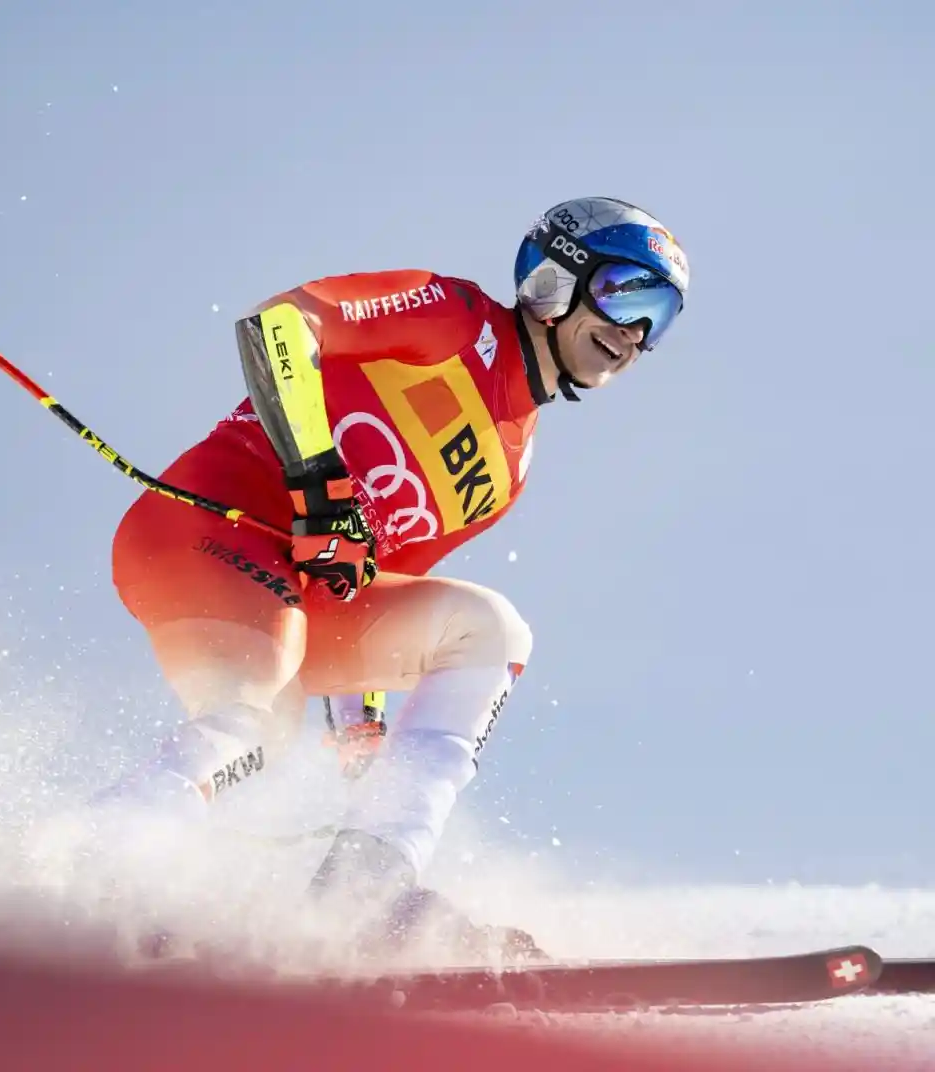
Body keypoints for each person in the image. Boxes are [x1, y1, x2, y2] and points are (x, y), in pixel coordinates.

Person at [106, 196, 690, 963]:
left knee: (489, 632)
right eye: (623, 294)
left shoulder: (508, 468)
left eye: (659, 316)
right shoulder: (456, 319)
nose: (634, 333)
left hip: (292, 598)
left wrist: (362, 728)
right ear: (555, 278)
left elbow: (370, 580)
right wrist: (315, 476)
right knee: (254, 717)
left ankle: (363, 894)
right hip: (205, 530)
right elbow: (278, 325)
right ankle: (99, 868)